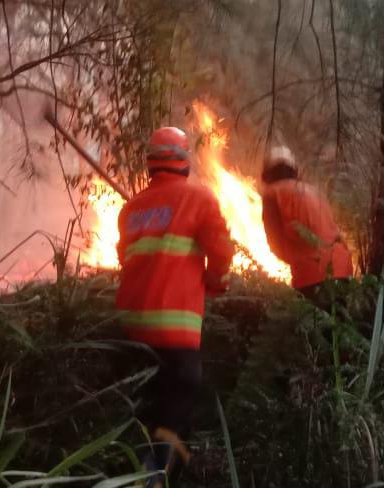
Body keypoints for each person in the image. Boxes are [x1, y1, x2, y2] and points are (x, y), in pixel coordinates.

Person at [115, 126, 235, 487]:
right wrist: (216, 282)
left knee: (143, 413)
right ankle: (157, 480)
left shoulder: (130, 209)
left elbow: (126, 258)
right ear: (184, 162)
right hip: (175, 335)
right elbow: (222, 254)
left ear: (151, 164)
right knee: (175, 416)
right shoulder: (198, 199)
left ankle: (130, 473)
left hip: (131, 331)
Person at [261, 145, 353, 311]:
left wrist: (294, 260)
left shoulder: (271, 194)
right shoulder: (313, 191)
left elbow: (274, 243)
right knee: (337, 329)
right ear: (294, 169)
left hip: (312, 274)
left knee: (315, 333)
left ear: (267, 173)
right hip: (343, 268)